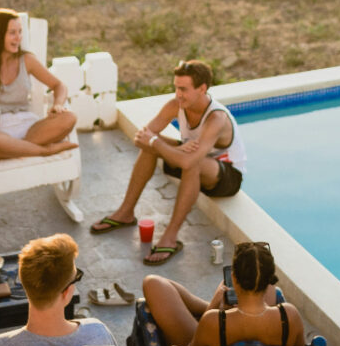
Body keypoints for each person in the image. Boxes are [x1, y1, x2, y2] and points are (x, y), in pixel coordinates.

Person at [89, 60, 247, 265]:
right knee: (150, 147)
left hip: (225, 177)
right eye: (176, 87)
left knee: (185, 159)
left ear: (202, 89)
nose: (178, 94)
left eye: (183, 89)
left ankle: (170, 238)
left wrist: (158, 143)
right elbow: (141, 137)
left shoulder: (216, 117)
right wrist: (169, 146)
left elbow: (189, 160)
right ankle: (125, 213)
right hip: (191, 159)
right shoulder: (176, 105)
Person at [141, 240, 304, 346]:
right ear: (270, 280)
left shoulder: (213, 321)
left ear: (233, 278)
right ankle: (225, 306)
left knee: (153, 283)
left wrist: (214, 309)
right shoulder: (289, 315)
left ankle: (215, 305)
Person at [0, 9, 78, 158]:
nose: (18, 38)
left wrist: (58, 104)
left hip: (29, 126)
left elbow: (59, 85)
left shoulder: (27, 60)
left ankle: (9, 152)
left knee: (70, 117)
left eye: (20, 32)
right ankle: (44, 151)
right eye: (12, 33)